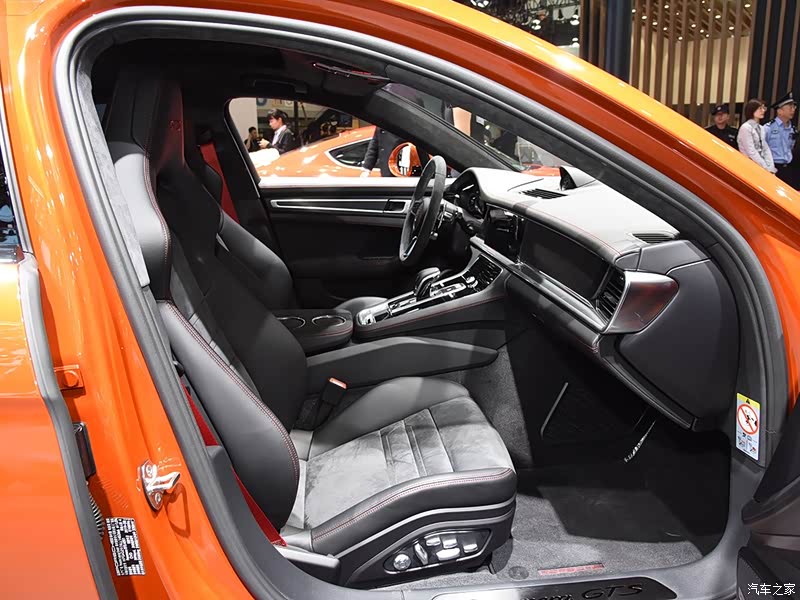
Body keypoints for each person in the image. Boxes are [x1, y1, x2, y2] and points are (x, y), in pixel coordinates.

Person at [764, 92, 798, 187]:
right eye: (790, 107)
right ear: (780, 110)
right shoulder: (768, 128)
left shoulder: (793, 129)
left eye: (794, 107)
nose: (793, 110)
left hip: (789, 168)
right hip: (774, 167)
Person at [738, 99, 775, 173]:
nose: (763, 110)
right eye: (760, 108)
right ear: (752, 110)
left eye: (764, 108)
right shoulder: (746, 127)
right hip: (749, 165)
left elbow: (765, 148)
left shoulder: (761, 128)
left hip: (762, 165)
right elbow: (751, 151)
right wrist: (765, 167)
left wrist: (770, 166)